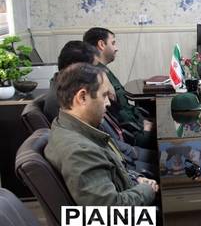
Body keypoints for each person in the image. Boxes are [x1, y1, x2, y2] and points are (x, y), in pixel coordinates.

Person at [45, 63, 158, 206]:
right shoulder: (80, 152)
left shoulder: (68, 126)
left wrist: (136, 179)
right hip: (131, 218)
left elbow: (113, 171)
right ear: (82, 97)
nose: (108, 103)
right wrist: (147, 190)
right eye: (104, 95)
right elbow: (111, 210)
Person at [43, 40, 157, 178]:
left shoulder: (69, 88)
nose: (99, 72)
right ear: (77, 69)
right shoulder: (65, 101)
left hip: (120, 152)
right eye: (94, 68)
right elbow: (101, 145)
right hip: (117, 163)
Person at [83, 27, 155, 148]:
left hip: (136, 125)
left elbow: (124, 106)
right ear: (101, 44)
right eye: (113, 43)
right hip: (132, 137)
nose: (116, 48)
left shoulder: (103, 70)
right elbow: (117, 116)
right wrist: (144, 127)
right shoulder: (98, 76)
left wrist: (143, 120)